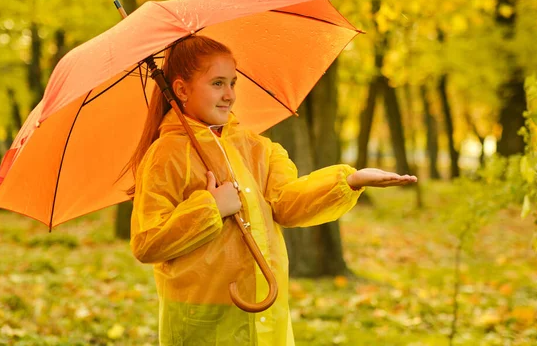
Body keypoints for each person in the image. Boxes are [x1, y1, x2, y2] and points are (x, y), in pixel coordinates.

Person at [128, 35, 417, 346]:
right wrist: (211, 207)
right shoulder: (166, 155)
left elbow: (286, 204)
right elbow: (147, 242)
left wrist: (349, 181)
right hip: (203, 319)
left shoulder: (256, 147)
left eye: (233, 83)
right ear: (182, 89)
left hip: (265, 311)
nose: (229, 95)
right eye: (217, 84)